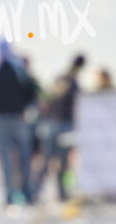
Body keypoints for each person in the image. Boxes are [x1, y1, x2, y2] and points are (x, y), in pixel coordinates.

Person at [0, 39, 40, 207]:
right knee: (14, 158)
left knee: (14, 158)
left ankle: (20, 194)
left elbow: (31, 92)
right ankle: (19, 194)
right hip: (10, 118)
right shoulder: (0, 71)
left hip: (12, 118)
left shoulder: (5, 71)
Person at [34, 53, 86, 204]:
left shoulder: (61, 78)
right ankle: (58, 192)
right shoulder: (73, 82)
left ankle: (38, 190)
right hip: (62, 124)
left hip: (52, 122)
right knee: (60, 161)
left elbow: (48, 98)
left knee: (49, 159)